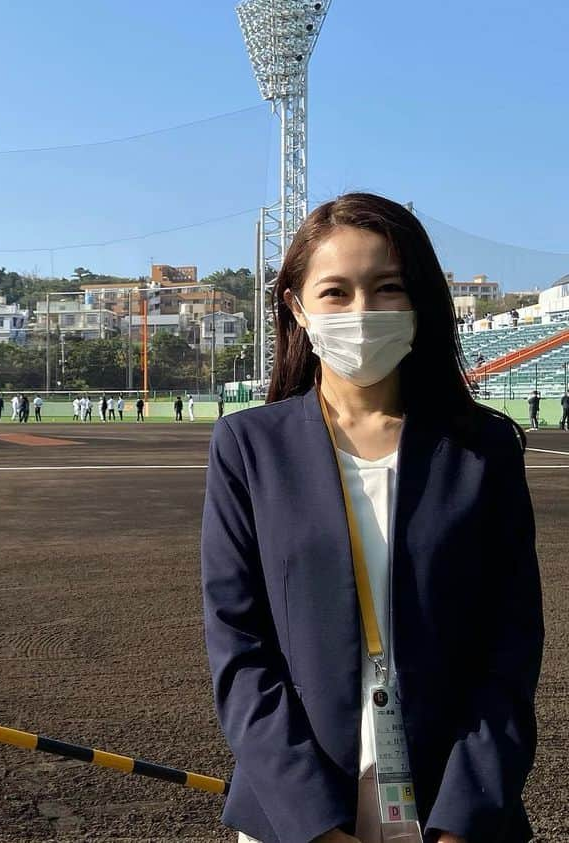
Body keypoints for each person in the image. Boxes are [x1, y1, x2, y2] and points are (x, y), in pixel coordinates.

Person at [202, 193, 542, 843]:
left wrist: (460, 823)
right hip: (296, 818)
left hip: (456, 811)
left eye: (388, 287)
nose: (362, 311)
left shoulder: (485, 448)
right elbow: (240, 658)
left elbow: (511, 653)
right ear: (297, 307)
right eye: (336, 291)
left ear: (418, 303)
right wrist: (317, 827)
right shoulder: (248, 448)